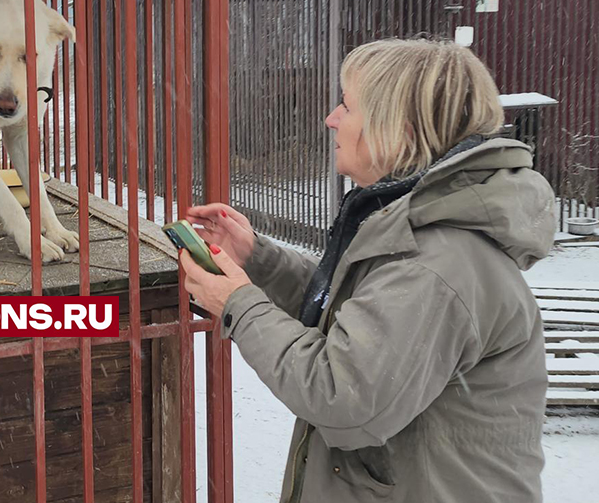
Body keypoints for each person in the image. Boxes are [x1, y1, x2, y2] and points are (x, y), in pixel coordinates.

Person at [180, 38, 555, 503]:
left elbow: (342, 396)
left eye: (347, 106)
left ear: (396, 127)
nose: (331, 118)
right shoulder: (416, 222)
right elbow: (359, 321)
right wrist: (258, 260)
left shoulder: (438, 261)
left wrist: (238, 304)